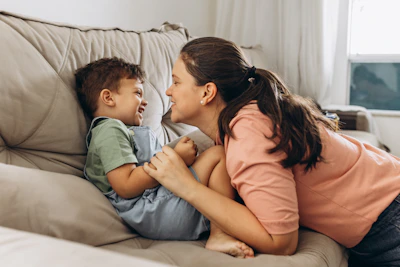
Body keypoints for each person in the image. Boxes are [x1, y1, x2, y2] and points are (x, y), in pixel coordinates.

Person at [143, 37, 400, 266]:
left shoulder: (249, 134)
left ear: (207, 92)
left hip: (390, 221)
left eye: (176, 82)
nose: (168, 91)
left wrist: (186, 185)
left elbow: (281, 242)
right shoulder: (247, 119)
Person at [74, 57, 254, 258]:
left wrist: (180, 157)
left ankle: (229, 223)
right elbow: (125, 185)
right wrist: (176, 157)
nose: (144, 101)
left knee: (219, 155)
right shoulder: (109, 130)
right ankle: (220, 232)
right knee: (218, 155)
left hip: (162, 201)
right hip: (153, 210)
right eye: (137, 93)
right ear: (108, 98)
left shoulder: (129, 130)